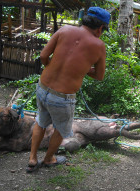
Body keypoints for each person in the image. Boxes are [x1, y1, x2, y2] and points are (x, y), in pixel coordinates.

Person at [27, 7, 110, 173]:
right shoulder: (99, 46)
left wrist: (54, 67)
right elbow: (100, 76)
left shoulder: (64, 30)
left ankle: (32, 158)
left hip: (43, 87)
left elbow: (43, 56)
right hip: (62, 97)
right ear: (100, 28)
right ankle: (49, 159)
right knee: (60, 128)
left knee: (41, 122)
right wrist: (82, 68)